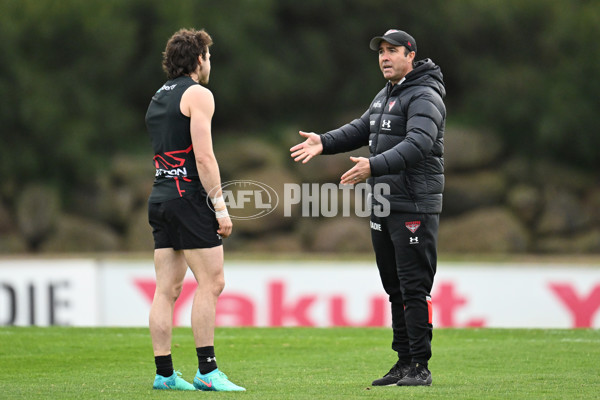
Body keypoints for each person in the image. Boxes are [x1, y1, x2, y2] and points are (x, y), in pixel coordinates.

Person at [290, 29, 446, 387]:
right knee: (394, 287)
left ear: (411, 54)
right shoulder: (386, 94)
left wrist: (373, 166)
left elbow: (419, 144)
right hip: (384, 203)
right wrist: (324, 141)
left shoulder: (425, 94)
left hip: (413, 205)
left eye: (392, 51)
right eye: (381, 52)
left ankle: (420, 366)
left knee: (413, 287)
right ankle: (403, 361)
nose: (385, 57)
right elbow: (363, 128)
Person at [144, 28, 244, 391]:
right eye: (209, 56)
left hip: (160, 198)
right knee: (212, 282)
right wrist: (221, 208)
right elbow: (203, 156)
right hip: (188, 198)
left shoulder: (157, 96)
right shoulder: (198, 94)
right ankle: (207, 371)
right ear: (199, 59)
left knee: (165, 290)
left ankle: (165, 375)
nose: (209, 63)